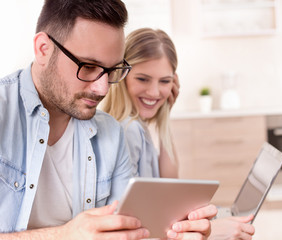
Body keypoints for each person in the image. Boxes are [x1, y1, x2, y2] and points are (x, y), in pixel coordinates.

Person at [0, 1, 216, 239]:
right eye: (89, 66)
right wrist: (64, 235)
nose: (102, 88)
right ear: (43, 49)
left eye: (112, 70)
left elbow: (128, 232)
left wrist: (179, 233)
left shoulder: (111, 134)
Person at [101, 27, 255, 240]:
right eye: (143, 79)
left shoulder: (135, 125)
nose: (155, 92)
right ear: (122, 75)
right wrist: (213, 232)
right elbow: (137, 225)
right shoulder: (129, 130)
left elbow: (168, 185)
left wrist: (166, 113)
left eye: (164, 81)